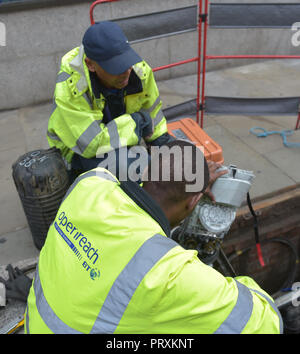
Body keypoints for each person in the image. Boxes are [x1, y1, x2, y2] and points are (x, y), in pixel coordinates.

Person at [24, 140, 282, 334]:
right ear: (195, 201)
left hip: (35, 322)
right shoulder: (166, 273)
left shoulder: (89, 184)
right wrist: (238, 286)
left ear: (146, 172)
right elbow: (267, 324)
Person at [47, 21, 174, 181]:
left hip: (117, 140)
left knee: (175, 162)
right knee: (140, 173)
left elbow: (154, 120)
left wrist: (169, 151)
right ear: (90, 65)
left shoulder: (140, 71)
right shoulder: (71, 86)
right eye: (115, 67)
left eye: (126, 62)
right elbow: (92, 144)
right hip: (77, 152)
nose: (126, 71)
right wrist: (137, 121)